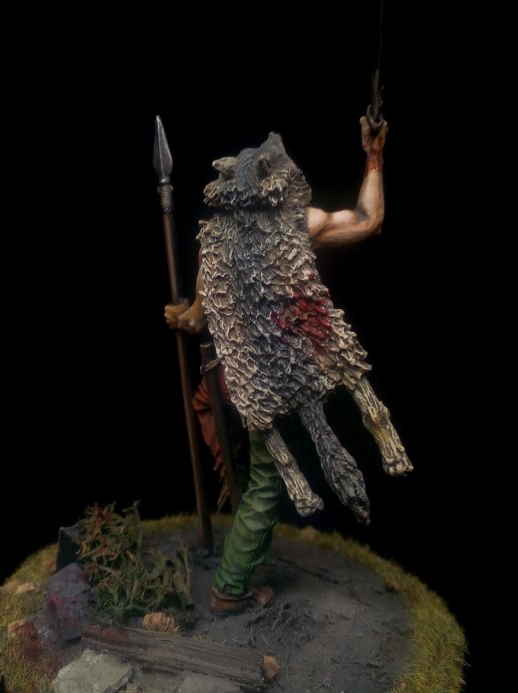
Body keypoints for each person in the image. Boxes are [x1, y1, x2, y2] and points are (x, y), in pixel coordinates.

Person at [165, 115, 412, 612]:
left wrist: (179, 313)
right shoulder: (299, 224)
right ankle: (229, 588)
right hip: (269, 383)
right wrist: (374, 156)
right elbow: (368, 219)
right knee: (267, 480)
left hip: (245, 380)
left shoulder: (214, 246)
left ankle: (242, 559)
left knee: (270, 471)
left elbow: (194, 322)